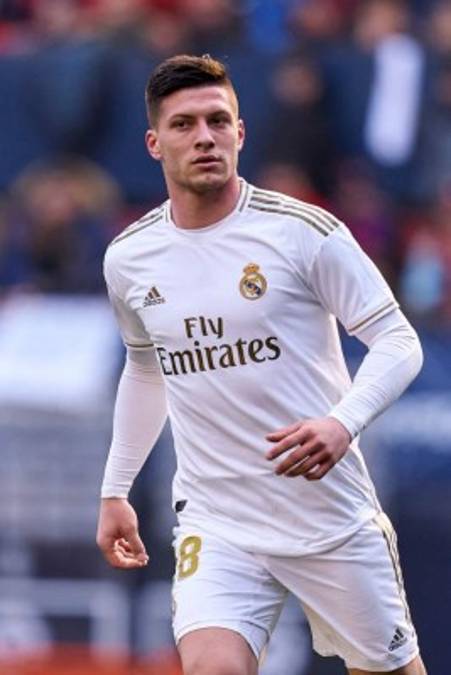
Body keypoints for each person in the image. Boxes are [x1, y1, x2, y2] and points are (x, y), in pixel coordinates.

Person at [96, 54, 427, 675]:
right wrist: (116, 488)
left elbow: (398, 339)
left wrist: (342, 423)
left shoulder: (303, 232)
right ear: (154, 143)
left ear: (240, 133)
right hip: (217, 520)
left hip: (327, 516)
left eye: (218, 121)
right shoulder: (130, 258)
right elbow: (145, 368)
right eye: (184, 124)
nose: (205, 137)